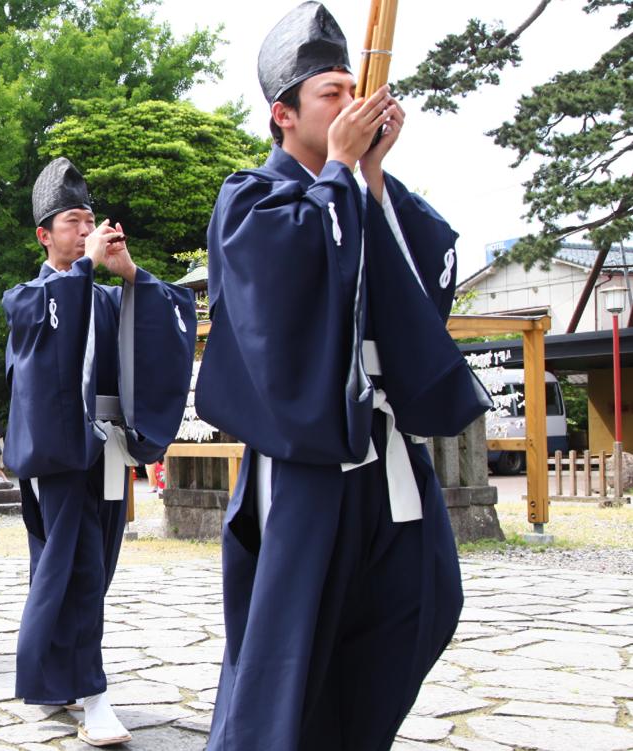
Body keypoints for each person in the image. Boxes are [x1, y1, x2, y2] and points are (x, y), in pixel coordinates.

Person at [194, 4, 490, 749]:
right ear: (282, 115)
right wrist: (338, 175)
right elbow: (283, 282)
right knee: (287, 652)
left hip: (384, 445)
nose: (354, 104)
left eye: (358, 90)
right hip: (308, 458)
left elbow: (425, 280)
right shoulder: (250, 199)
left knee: (421, 600)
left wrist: (371, 175)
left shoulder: (358, 191)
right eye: (333, 92)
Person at [3, 157, 196, 746]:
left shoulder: (110, 299)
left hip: (108, 449)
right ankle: (93, 695)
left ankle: (51, 676)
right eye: (72, 222)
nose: (85, 231)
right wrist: (85, 271)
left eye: (91, 220)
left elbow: (167, 322)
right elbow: (40, 344)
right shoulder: (29, 295)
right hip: (60, 453)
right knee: (77, 567)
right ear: (45, 234)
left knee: (88, 569)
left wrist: (131, 274)